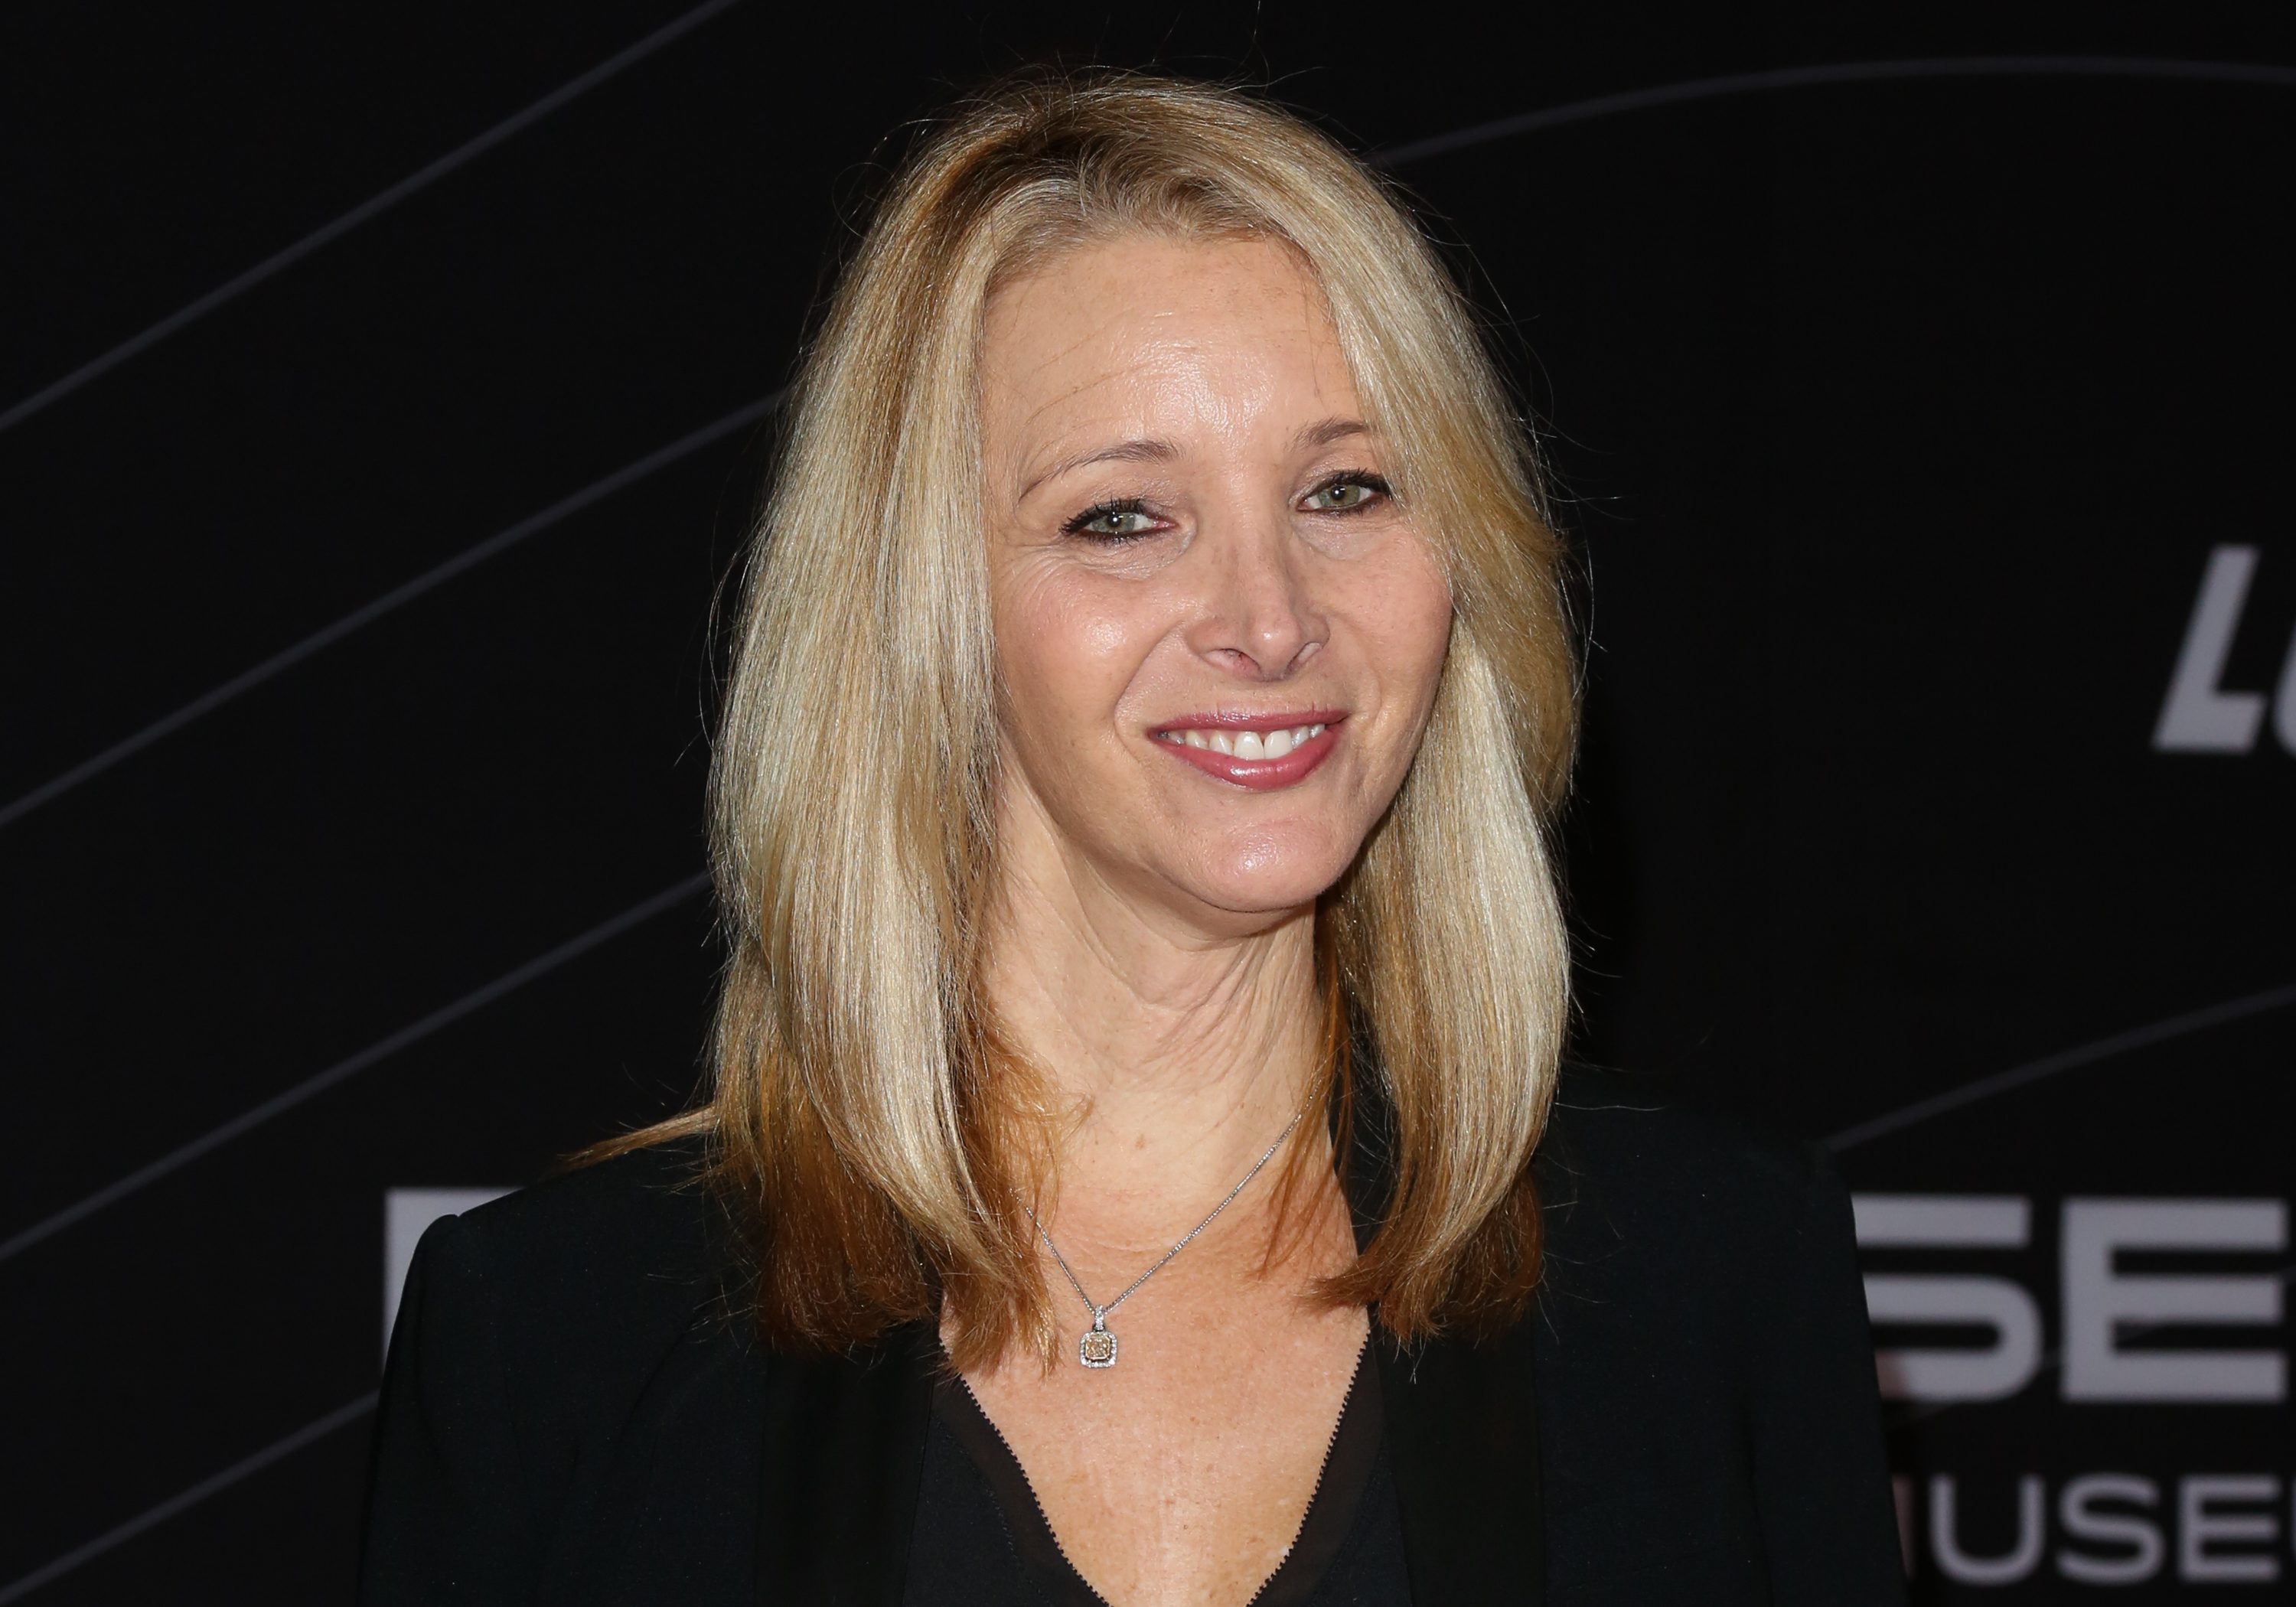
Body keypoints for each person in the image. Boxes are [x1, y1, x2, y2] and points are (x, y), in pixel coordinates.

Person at [361, 72, 1904, 1606]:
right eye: (1124, 517)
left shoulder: (1716, 1273)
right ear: (927, 614)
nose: (1270, 617)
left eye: (1347, 490)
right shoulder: (554, 1331)